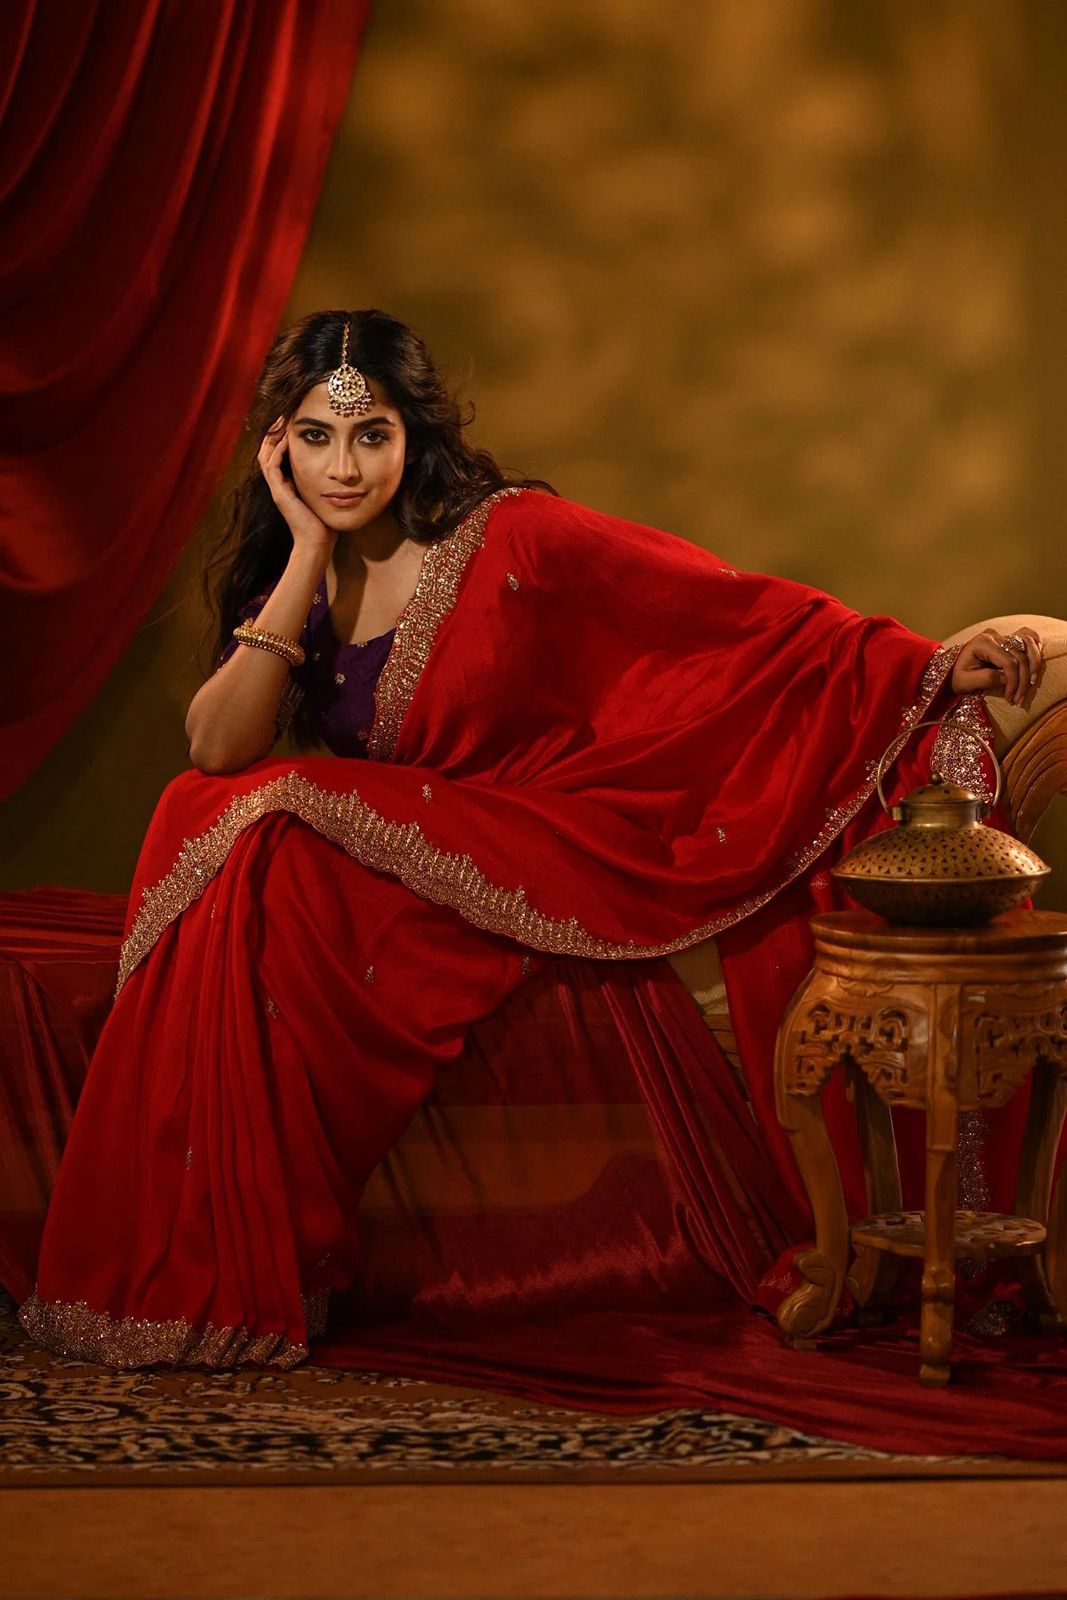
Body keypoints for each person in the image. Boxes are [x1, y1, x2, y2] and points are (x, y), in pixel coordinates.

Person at [18, 309, 1043, 1371]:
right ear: (277, 445)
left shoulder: (513, 538)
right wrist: (307, 551)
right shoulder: (293, 578)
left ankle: (251, 1248)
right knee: (220, 810)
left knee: (265, 812)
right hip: (384, 873)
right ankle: (241, 1250)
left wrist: (916, 665)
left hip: (531, 845)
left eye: (371, 435)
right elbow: (214, 746)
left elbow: (723, 615)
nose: (344, 465)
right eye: (315, 438)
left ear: (415, 434)